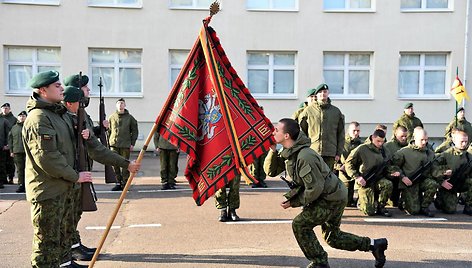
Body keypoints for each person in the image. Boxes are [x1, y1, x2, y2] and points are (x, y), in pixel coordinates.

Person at [264, 118, 388, 268]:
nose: (273, 132)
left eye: (277, 130)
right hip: (331, 194)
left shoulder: (305, 156)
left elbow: (315, 188)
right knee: (333, 238)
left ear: (286, 136)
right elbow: (271, 171)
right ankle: (375, 245)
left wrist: (293, 202)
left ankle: (319, 262)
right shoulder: (289, 152)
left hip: (330, 198)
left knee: (300, 224)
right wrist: (272, 151)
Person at [60, 85, 141, 265]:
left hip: (77, 175)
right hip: (68, 178)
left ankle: (72, 248)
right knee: (63, 221)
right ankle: (66, 257)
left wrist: (92, 134)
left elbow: (95, 146)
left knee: (72, 217)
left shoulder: (75, 116)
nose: (88, 92)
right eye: (85, 90)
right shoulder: (62, 118)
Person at [22, 70, 93, 267]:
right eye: (57, 86)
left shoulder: (56, 114)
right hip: (47, 191)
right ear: (43, 90)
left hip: (61, 187)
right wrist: (75, 176)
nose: (62, 88)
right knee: (46, 245)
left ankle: (64, 264)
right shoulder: (39, 118)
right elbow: (47, 157)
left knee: (61, 238)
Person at [344, 129, 394, 217]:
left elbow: (389, 165)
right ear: (372, 138)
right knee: (369, 212)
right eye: (378, 141)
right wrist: (357, 177)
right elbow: (348, 163)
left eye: (382, 141)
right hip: (365, 180)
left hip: (378, 178)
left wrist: (392, 172)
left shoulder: (385, 150)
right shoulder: (362, 148)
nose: (380, 144)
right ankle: (361, 201)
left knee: (387, 184)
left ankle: (381, 206)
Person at [390, 129, 438, 217]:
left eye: (426, 140)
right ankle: (403, 201)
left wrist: (442, 174)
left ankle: (425, 206)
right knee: (413, 211)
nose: (424, 142)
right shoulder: (403, 152)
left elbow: (435, 168)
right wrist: (402, 176)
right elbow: (393, 166)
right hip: (409, 182)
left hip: (423, 181)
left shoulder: (430, 153)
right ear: (415, 138)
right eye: (422, 140)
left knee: (433, 184)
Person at [298, 83, 345, 170]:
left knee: (328, 179)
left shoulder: (336, 112)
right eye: (320, 92)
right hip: (313, 150)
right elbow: (302, 131)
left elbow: (341, 133)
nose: (323, 94)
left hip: (330, 152)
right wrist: (305, 149)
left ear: (328, 93)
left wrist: (338, 153)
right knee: (314, 178)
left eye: (325, 92)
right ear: (316, 95)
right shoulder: (308, 111)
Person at [433, 130, 472, 215]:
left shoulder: (469, 156)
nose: (464, 144)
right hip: (449, 185)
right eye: (462, 141)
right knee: (450, 210)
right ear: (454, 141)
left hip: (462, 183)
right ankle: (439, 199)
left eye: (466, 142)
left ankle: (469, 206)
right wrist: (441, 181)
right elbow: (433, 168)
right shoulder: (446, 154)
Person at [108, 98, 139, 191]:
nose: (120, 105)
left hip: (125, 144)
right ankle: (118, 182)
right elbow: (109, 131)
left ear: (125, 105)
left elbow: (134, 131)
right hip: (114, 144)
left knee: (125, 164)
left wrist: (132, 143)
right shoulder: (112, 117)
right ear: (116, 105)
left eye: (122, 103)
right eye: (119, 103)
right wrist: (109, 142)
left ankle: (125, 183)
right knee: (115, 164)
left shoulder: (130, 118)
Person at [335, 121, 362, 207]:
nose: (356, 133)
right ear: (348, 130)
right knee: (346, 202)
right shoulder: (341, 143)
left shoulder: (361, 144)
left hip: (356, 172)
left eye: (358, 131)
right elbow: (333, 159)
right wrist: (339, 167)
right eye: (354, 130)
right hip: (344, 173)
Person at [383, 126, 408, 207]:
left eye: (405, 136)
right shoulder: (388, 146)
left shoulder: (408, 146)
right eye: (402, 136)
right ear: (396, 134)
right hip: (391, 173)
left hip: (405, 173)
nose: (404, 138)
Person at [7, 111, 27, 193]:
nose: (22, 117)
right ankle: (21, 184)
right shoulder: (14, 128)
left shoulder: (28, 126)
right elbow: (10, 140)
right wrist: (11, 151)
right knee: (20, 169)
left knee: (28, 169)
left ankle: (28, 185)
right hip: (17, 151)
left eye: (23, 116)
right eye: (20, 116)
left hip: (27, 152)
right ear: (18, 118)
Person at [1, 102, 17, 184]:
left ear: (9, 109)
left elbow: (13, 132)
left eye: (7, 108)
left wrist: (9, 144)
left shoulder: (13, 119)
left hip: (10, 144)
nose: (5, 109)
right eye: (3, 108)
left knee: (10, 162)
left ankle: (11, 178)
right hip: (1, 144)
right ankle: (3, 179)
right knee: (2, 163)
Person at [0, 115, 10, 189]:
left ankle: (1, 181)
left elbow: (8, 134)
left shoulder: (4, 121)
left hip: (1, 146)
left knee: (1, 165)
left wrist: (7, 144)